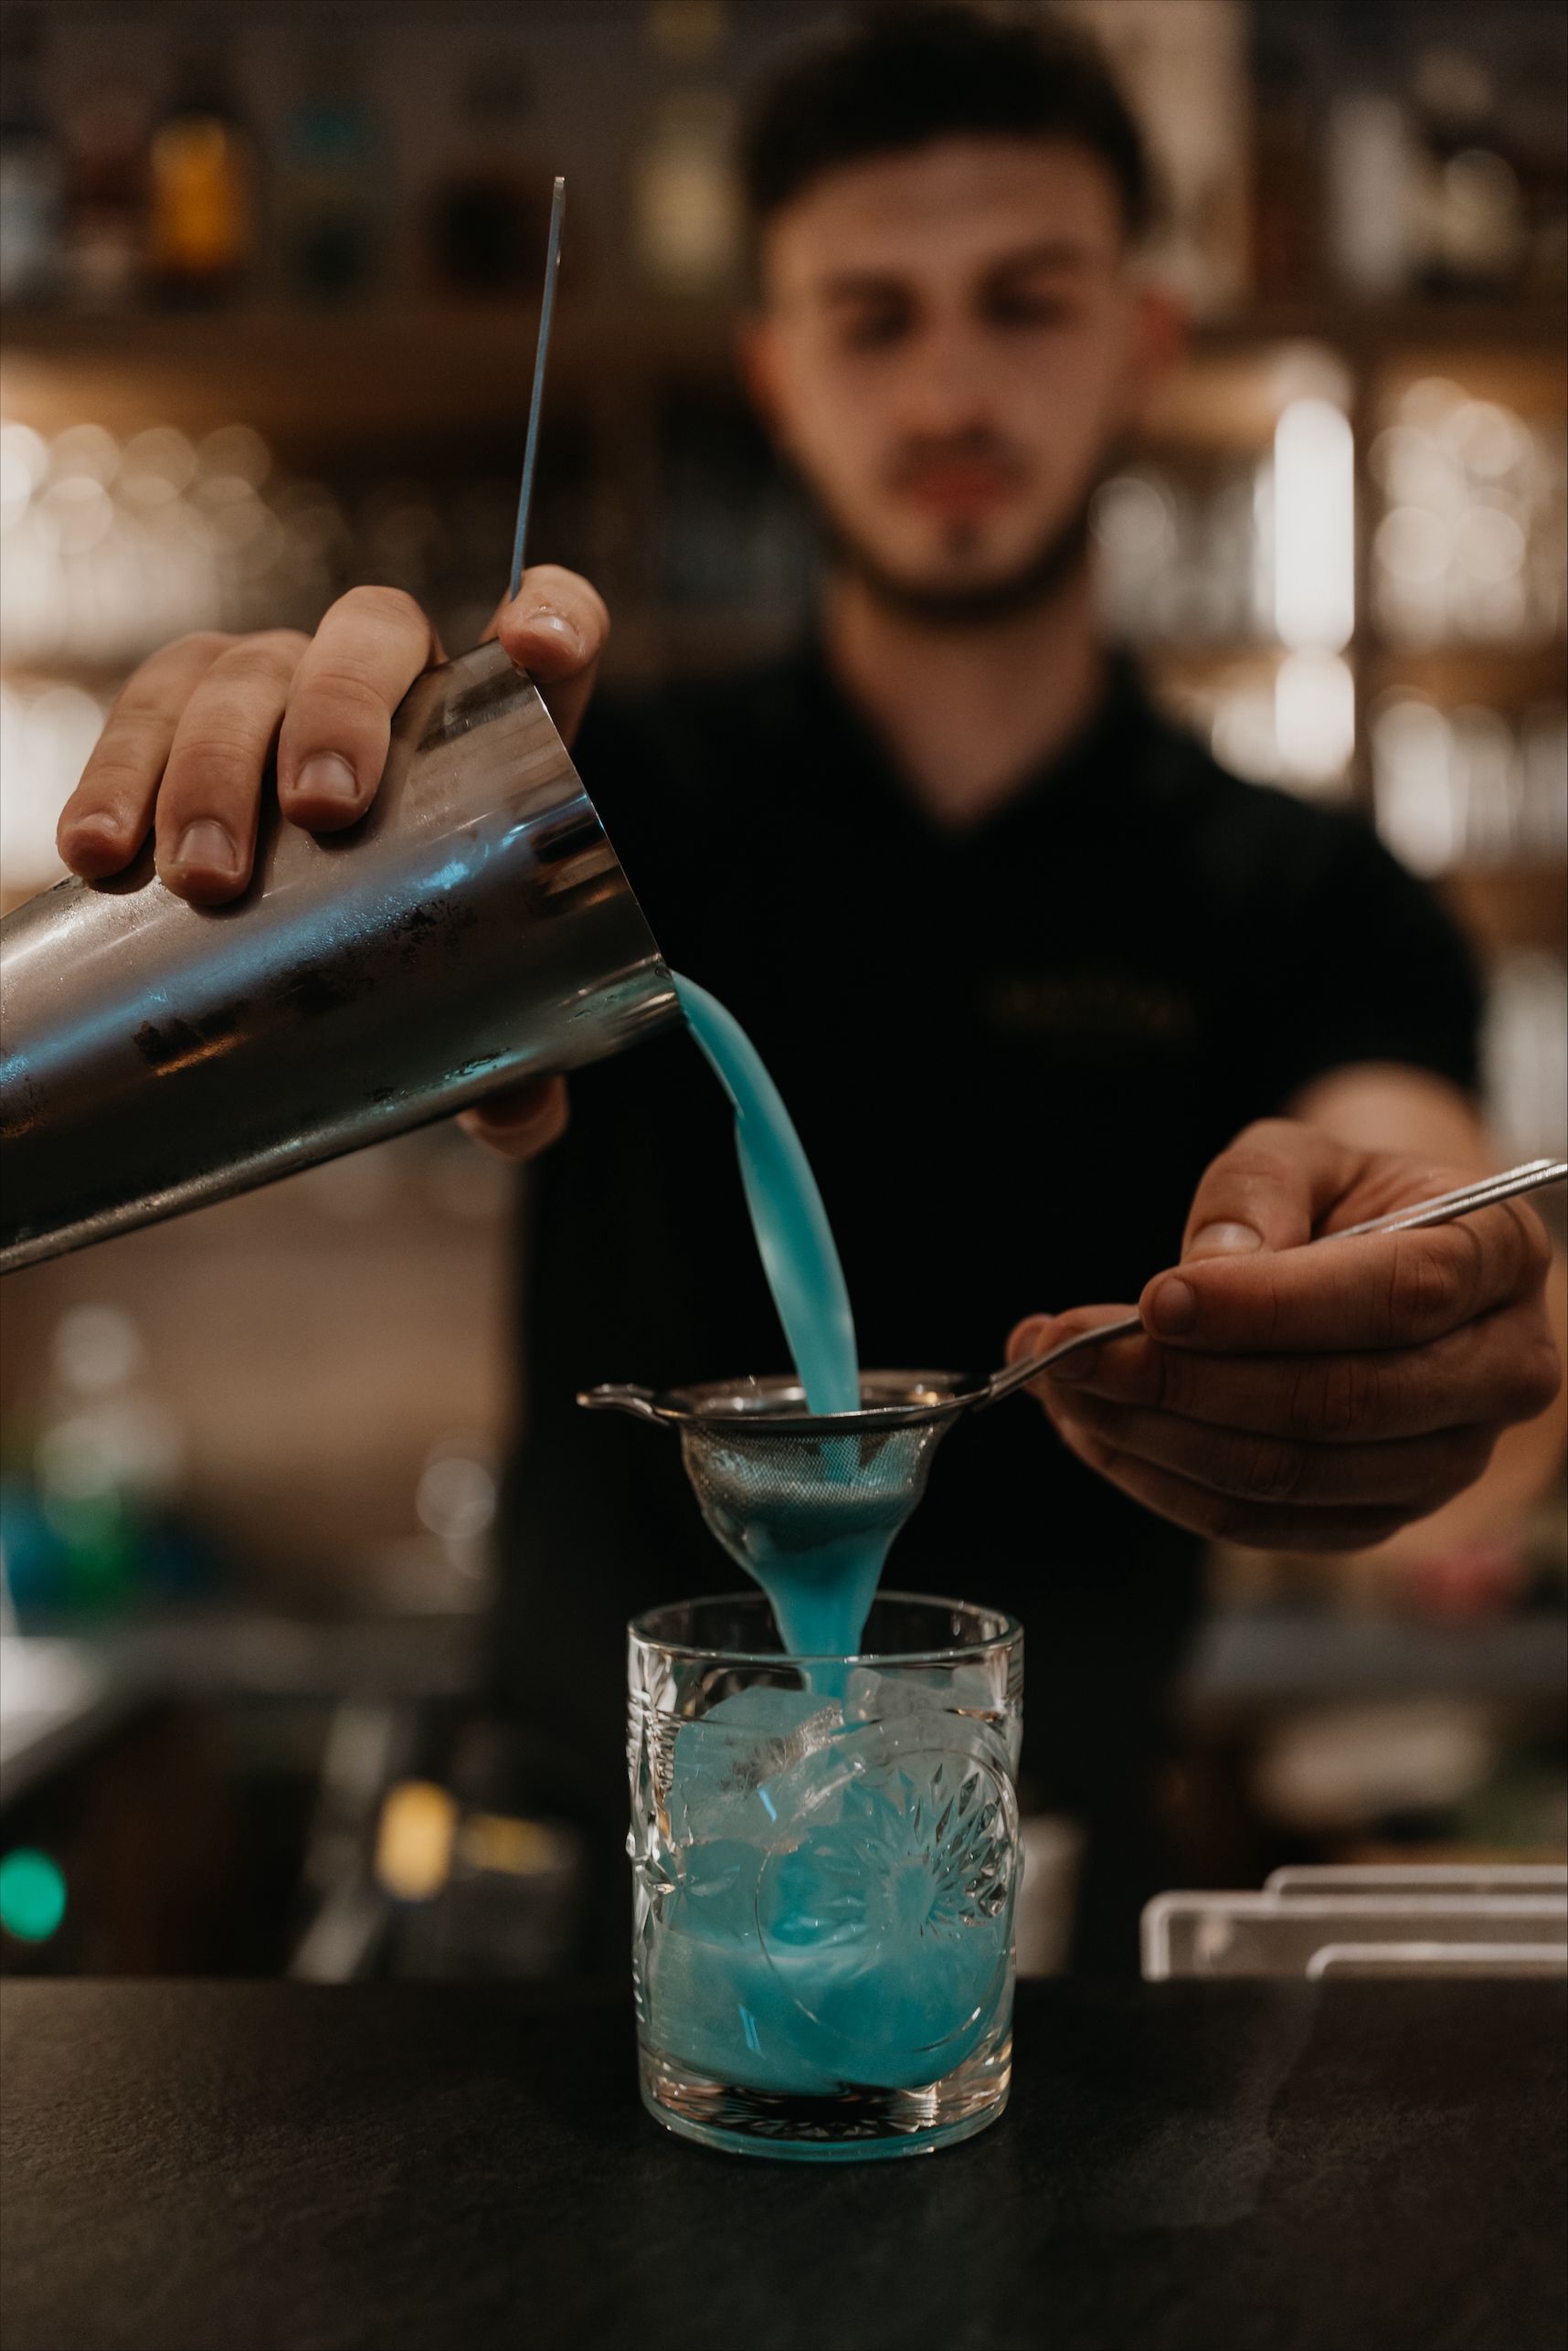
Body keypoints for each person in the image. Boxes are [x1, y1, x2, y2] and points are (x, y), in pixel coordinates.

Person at [56, 7, 1563, 1968]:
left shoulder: (1306, 890)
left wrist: (1414, 1331)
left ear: (1143, 345)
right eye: (876, 316)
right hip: (571, 1935)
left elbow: (1420, 1202)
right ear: (777, 372)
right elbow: (292, 987)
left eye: (1023, 303)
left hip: (1035, 1932)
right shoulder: (600, 827)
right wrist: (295, 849)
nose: (950, 382)